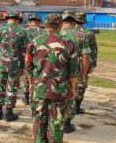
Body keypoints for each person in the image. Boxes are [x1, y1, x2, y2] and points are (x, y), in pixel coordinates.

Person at [26, 13, 79, 143]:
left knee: (39, 123)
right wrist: (73, 88)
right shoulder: (68, 43)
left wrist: (31, 84)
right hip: (60, 91)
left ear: (45, 25)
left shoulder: (34, 42)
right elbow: (74, 71)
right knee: (56, 125)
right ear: (60, 25)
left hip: (40, 90)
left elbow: (28, 66)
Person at [59, 10, 90, 133]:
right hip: (74, 72)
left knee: (57, 95)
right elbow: (86, 57)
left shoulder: (56, 33)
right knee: (71, 95)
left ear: (62, 21)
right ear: (73, 22)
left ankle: (55, 121)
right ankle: (67, 124)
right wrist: (83, 74)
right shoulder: (81, 35)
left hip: (57, 71)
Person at [0, 11, 25, 121]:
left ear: (7, 19)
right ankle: (9, 113)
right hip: (14, 65)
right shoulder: (22, 32)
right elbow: (24, 52)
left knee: (0, 86)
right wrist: (22, 67)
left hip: (1, 64)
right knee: (11, 88)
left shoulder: (0, 30)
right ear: (18, 20)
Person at [75, 12, 98, 114]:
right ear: (84, 21)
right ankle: (77, 107)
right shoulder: (89, 33)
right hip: (83, 62)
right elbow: (93, 50)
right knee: (81, 82)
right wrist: (92, 64)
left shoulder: (66, 32)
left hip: (67, 61)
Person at [23, 13, 44, 105]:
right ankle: (34, 98)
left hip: (27, 57)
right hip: (40, 58)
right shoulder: (43, 32)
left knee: (27, 77)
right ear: (39, 22)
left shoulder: (24, 31)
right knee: (38, 77)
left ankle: (26, 97)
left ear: (30, 21)